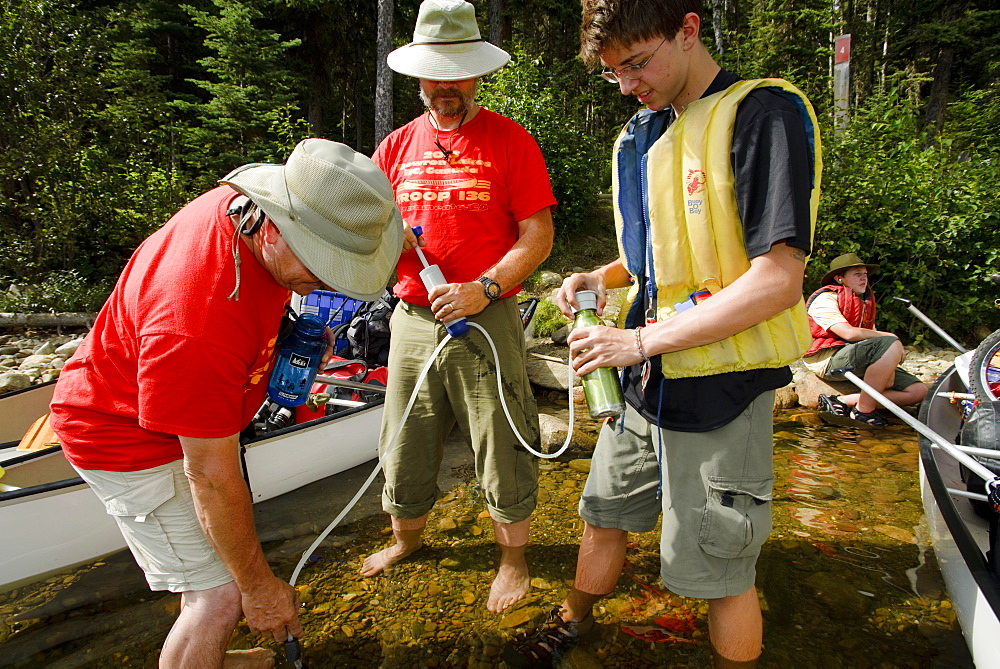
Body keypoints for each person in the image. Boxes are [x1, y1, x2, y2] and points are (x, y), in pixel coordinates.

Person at [505, 1, 822, 666]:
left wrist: (641, 341)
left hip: (723, 388)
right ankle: (573, 621)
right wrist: (599, 274)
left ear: (688, 28)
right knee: (603, 510)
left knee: (721, 565)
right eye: (613, 72)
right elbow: (655, 260)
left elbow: (778, 279)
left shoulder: (761, 115)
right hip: (641, 385)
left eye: (638, 62)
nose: (626, 84)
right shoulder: (642, 135)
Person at [49, 139, 403, 668]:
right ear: (276, 230)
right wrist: (258, 587)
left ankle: (211, 657)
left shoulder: (240, 213)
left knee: (221, 574)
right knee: (219, 597)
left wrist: (278, 335)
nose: (332, 285)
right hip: (125, 437)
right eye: (326, 266)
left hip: (183, 413)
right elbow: (210, 475)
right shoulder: (195, 324)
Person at [359, 0, 557, 615]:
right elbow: (364, 230)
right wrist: (389, 241)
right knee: (405, 439)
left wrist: (487, 288)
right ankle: (405, 540)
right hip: (413, 321)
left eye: (457, 72)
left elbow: (538, 236)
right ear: (418, 77)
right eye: (433, 75)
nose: (445, 87)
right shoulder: (393, 148)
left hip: (487, 318)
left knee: (501, 439)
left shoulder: (510, 141)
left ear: (476, 73)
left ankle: (513, 559)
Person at [804, 253, 928, 426]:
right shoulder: (825, 299)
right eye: (857, 274)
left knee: (919, 391)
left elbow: (874, 342)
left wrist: (889, 354)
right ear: (840, 279)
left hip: (858, 358)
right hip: (828, 359)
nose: (864, 279)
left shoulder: (861, 303)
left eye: (865, 274)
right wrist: (891, 338)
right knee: (890, 342)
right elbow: (849, 334)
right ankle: (864, 410)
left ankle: (845, 401)